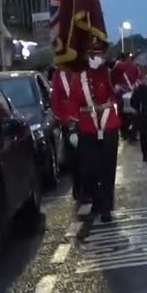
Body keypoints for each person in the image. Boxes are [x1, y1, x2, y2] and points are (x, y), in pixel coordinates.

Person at [73, 40, 121, 222]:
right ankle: (98, 199)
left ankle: (106, 207)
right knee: (89, 170)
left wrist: (109, 64)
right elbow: (74, 102)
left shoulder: (108, 73)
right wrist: (72, 126)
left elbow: (120, 75)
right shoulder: (80, 76)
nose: (96, 58)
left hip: (108, 123)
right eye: (93, 55)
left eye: (99, 54)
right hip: (88, 126)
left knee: (108, 168)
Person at [51, 63, 87, 204]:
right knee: (74, 158)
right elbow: (56, 102)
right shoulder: (58, 77)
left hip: (87, 120)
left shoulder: (82, 71)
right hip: (70, 124)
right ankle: (78, 187)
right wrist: (66, 121)